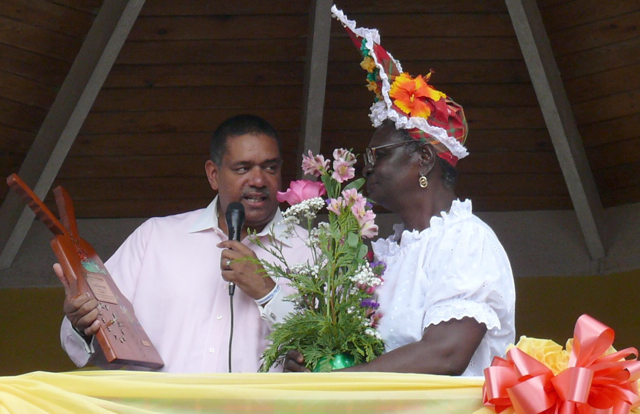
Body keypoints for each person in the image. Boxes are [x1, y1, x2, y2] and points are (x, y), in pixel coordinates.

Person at [284, 7, 515, 376]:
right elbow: (367, 354)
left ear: (423, 158)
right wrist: (316, 361)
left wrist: (336, 384)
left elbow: (446, 353)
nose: (366, 166)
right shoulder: (387, 255)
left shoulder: (467, 240)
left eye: (377, 154)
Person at [58, 114, 312, 373]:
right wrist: (82, 322)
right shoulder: (155, 239)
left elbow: (332, 357)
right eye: (243, 168)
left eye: (270, 168)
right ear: (213, 175)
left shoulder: (312, 251)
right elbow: (102, 340)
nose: (259, 180)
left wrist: (269, 293)